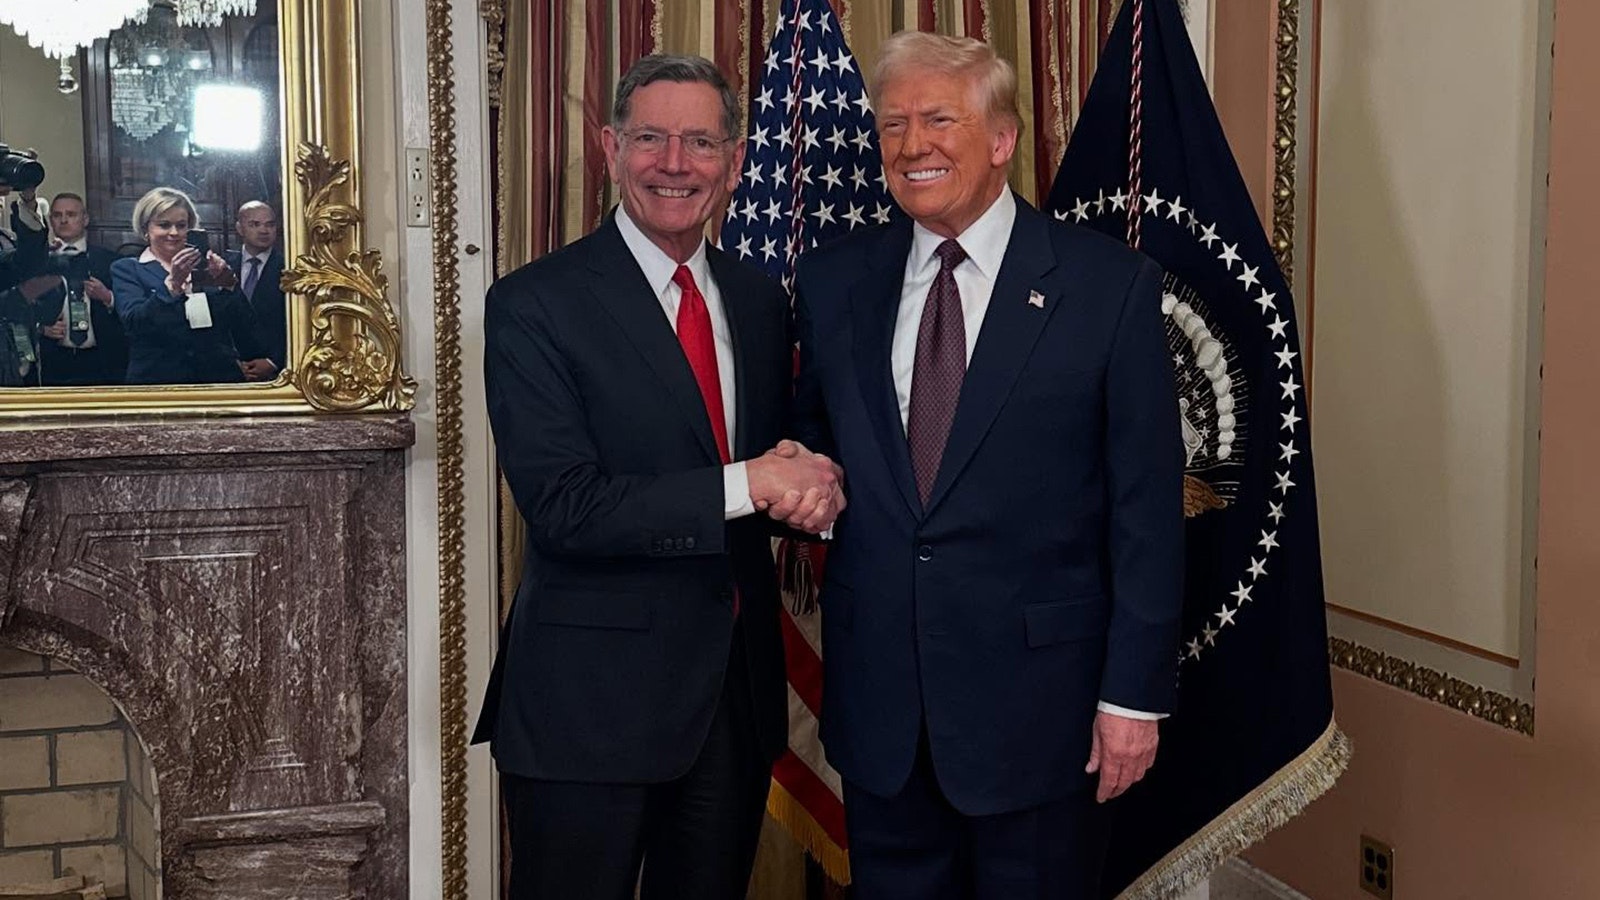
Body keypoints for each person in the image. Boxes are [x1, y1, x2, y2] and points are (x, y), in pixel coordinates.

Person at [789, 31, 1184, 899]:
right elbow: (817, 436)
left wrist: (1133, 698)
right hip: (883, 712)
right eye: (893, 124)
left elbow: (1148, 511)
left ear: (1002, 140)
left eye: (938, 118)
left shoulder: (1108, 287)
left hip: (1043, 717)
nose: (910, 144)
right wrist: (802, 473)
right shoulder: (832, 282)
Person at [471, 54, 844, 900]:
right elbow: (565, 507)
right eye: (650, 138)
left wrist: (812, 492)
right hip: (586, 709)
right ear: (610, 148)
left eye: (701, 142)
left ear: (735, 161)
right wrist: (753, 482)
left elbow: (772, 471)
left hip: (732, 702)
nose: (674, 164)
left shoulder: (758, 300)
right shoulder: (535, 304)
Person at [111, 187, 274, 385]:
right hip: (158, 383)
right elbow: (135, 324)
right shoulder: (128, 269)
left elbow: (246, 329)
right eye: (164, 225)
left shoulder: (209, 267)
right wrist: (172, 285)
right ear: (146, 229)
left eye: (181, 225)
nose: (174, 233)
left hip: (217, 383)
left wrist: (228, 284)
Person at [36, 192, 127, 386]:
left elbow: (131, 310)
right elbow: (20, 309)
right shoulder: (39, 264)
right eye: (57, 215)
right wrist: (41, 328)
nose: (64, 220)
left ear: (85, 219)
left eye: (71, 214)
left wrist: (107, 297)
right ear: (50, 220)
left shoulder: (111, 262)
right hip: (54, 360)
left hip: (104, 360)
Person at [224, 200, 286, 372]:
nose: (264, 230)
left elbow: (296, 324)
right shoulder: (222, 266)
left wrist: (274, 362)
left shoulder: (289, 268)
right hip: (228, 368)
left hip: (275, 369)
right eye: (254, 224)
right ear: (239, 228)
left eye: (270, 225)